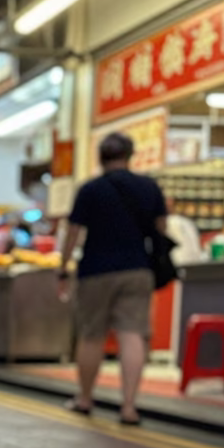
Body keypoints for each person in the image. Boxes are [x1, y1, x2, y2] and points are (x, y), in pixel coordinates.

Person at [59, 132, 166, 426]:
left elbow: (73, 232)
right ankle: (129, 407)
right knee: (131, 334)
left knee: (91, 335)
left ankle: (84, 399)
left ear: (100, 157)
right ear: (130, 156)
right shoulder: (149, 187)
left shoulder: (90, 189)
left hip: (96, 269)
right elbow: (161, 228)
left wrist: (63, 267)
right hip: (137, 268)